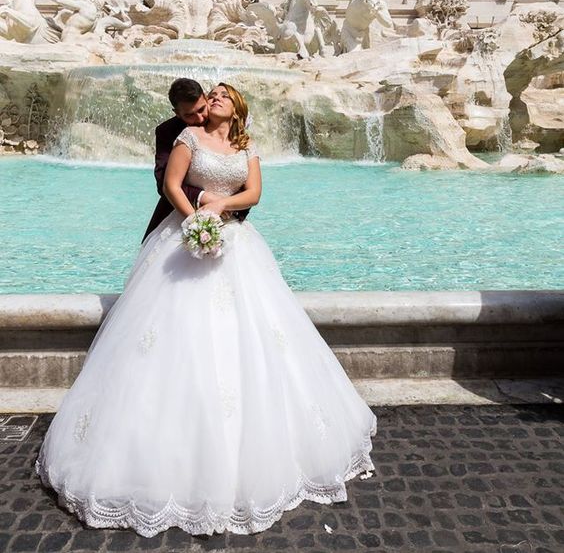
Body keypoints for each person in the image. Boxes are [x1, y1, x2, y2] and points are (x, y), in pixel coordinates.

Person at [34, 83, 377, 537]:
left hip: (236, 242)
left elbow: (253, 192)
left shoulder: (246, 144)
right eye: (208, 95)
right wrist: (195, 217)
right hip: (186, 237)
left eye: (221, 94)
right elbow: (171, 184)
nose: (213, 98)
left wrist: (221, 207)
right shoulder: (186, 139)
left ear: (237, 107)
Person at [142, 78, 248, 242]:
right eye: (189, 115)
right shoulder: (167, 131)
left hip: (228, 217)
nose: (199, 118)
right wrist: (203, 197)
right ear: (177, 113)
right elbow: (164, 182)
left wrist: (228, 205)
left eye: (201, 109)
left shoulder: (230, 122)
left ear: (206, 98)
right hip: (181, 215)